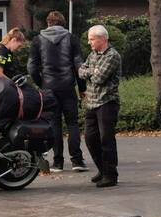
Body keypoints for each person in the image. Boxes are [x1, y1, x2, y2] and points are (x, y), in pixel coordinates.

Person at [28, 11, 88, 173]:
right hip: (68, 87)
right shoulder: (71, 38)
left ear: (48, 23)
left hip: (49, 88)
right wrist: (82, 88)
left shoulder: (38, 40)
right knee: (73, 123)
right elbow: (78, 65)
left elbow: (32, 67)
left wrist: (41, 84)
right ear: (62, 23)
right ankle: (77, 160)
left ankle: (58, 162)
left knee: (54, 124)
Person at [78, 25, 121, 187]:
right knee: (90, 138)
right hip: (91, 103)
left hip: (107, 103)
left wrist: (90, 72)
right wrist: (91, 71)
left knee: (106, 139)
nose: (89, 43)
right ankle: (102, 169)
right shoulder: (92, 54)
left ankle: (110, 175)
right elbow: (81, 71)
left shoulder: (113, 56)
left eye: (92, 39)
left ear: (102, 39)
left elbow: (99, 78)